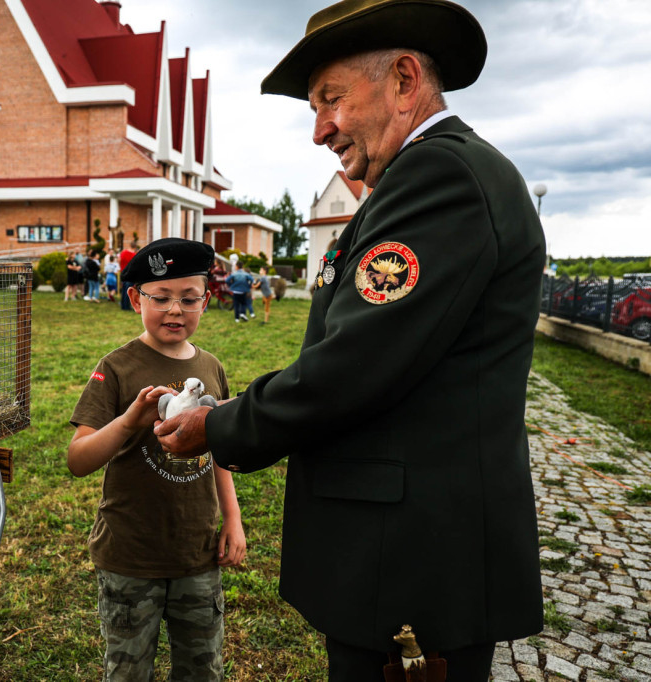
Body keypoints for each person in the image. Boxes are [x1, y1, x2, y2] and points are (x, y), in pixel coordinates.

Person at [153, 1, 545, 680]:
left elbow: (355, 365)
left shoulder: (439, 176)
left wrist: (221, 426)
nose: (319, 130)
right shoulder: (427, 177)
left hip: (411, 564)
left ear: (402, 79)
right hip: (405, 554)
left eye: (330, 99)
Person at [68, 238, 246, 681]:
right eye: (161, 298)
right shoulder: (116, 368)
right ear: (134, 298)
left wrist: (233, 517)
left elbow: (219, 448)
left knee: (202, 669)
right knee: (129, 672)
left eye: (189, 299)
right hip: (131, 556)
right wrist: (129, 422)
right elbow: (78, 459)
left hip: (197, 554)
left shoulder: (211, 367)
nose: (175, 311)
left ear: (206, 300)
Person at [118, 240, 138, 311]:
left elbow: (119, 260)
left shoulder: (123, 252)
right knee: (128, 291)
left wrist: (121, 267)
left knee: (123, 290)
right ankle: (126, 306)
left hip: (123, 272)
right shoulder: (134, 255)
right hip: (130, 274)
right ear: (135, 247)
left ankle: (123, 305)